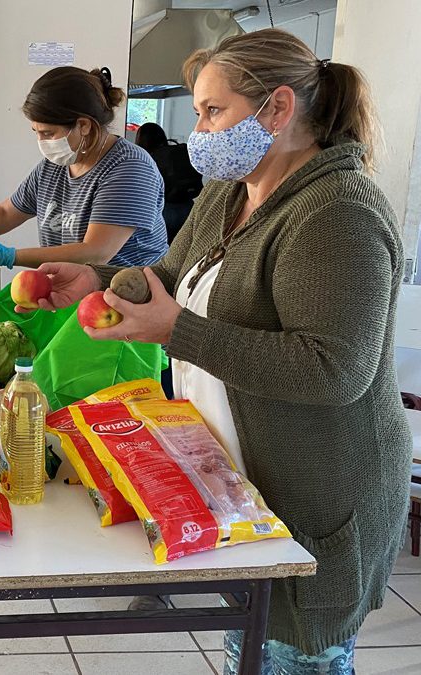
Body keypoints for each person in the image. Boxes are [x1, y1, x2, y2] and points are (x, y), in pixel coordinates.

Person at [22, 29, 411, 675]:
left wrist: (179, 332)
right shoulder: (232, 192)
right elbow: (169, 276)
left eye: (212, 111)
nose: (197, 130)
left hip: (317, 488)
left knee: (292, 654)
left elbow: (334, 369)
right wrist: (96, 284)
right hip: (245, 476)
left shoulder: (337, 212)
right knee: (248, 645)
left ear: (278, 109)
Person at [0, 66, 167, 273]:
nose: (42, 142)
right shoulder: (54, 167)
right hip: (72, 297)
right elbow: (7, 212)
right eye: (36, 132)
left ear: (83, 125)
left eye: (48, 133)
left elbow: (96, 252)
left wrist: (8, 256)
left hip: (126, 305)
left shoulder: (130, 169)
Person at [134, 122, 203, 243]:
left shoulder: (147, 159)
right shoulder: (179, 151)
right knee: (185, 247)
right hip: (189, 206)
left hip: (164, 209)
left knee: (164, 252)